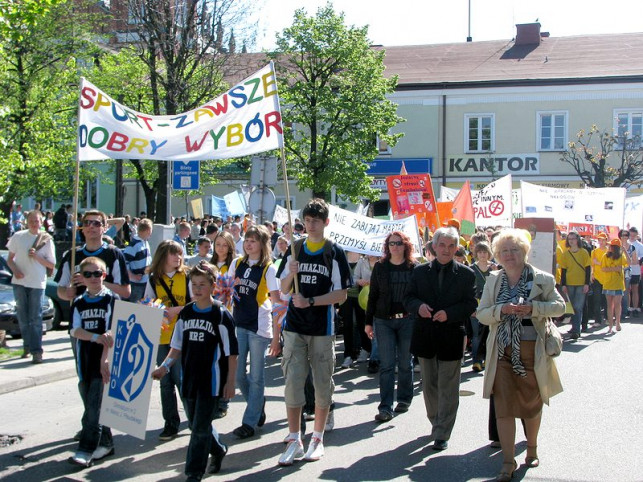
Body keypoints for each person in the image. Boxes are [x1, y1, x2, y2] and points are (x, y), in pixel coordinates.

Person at [477, 228, 565, 482]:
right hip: (502, 352)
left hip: (532, 351)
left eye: (514, 250)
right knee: (503, 408)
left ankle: (532, 448)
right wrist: (501, 309)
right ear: (498, 255)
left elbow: (560, 307)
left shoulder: (542, 279)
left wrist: (534, 308)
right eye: (503, 251)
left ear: (524, 251)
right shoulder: (493, 280)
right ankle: (507, 462)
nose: (509, 255)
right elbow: (482, 313)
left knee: (531, 404)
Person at [275, 198, 352, 465]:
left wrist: (311, 301)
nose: (310, 225)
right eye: (307, 221)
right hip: (295, 326)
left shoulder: (334, 251)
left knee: (321, 384)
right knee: (293, 383)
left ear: (325, 222)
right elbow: (283, 288)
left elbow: (342, 294)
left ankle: (317, 438)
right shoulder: (295, 248)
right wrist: (289, 274)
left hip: (322, 327)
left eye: (315, 221)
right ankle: (294, 437)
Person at [152, 262, 238, 480]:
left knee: (198, 429)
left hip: (212, 380)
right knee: (196, 424)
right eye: (194, 284)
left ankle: (193, 473)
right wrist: (164, 367)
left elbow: (231, 353)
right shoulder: (186, 313)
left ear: (212, 286)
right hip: (188, 377)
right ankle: (218, 449)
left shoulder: (221, 314)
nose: (197, 289)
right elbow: (176, 347)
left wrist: (230, 382)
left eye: (202, 284)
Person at [404, 226, 477, 451]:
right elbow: (408, 298)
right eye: (442, 245)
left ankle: (443, 431)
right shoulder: (419, 271)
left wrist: (450, 314)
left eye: (451, 245)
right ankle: (436, 421)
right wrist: (419, 307)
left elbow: (470, 304)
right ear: (433, 247)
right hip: (425, 335)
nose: (446, 249)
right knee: (430, 385)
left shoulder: (467, 274)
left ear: (457, 248)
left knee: (449, 386)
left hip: (452, 335)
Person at [228, 225, 281, 439]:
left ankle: (249, 422)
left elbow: (277, 302)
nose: (249, 244)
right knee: (239, 375)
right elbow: (226, 290)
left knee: (256, 376)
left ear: (262, 244)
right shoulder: (236, 263)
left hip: (259, 326)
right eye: (247, 240)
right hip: (239, 323)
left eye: (254, 240)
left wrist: (277, 337)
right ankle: (258, 403)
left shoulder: (269, 268)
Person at [68, 257, 117, 467]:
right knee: (91, 403)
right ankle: (106, 443)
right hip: (84, 360)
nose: (93, 278)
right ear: (82, 277)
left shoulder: (111, 299)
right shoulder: (79, 302)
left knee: (93, 409)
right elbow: (75, 330)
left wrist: (105, 358)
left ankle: (86, 449)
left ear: (104, 275)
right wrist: (95, 337)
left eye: (97, 273)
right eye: (88, 274)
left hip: (103, 361)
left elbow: (112, 331)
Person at [365, 231, 418, 422]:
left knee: (405, 362)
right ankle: (385, 407)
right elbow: (373, 296)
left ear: (405, 246)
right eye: (391, 243)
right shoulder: (380, 267)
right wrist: (368, 322)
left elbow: (419, 295)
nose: (394, 246)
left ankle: (404, 399)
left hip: (407, 320)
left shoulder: (414, 268)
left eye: (398, 243)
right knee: (387, 365)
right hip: (383, 320)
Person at [145, 240, 192, 441]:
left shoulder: (187, 276)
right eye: (174, 254)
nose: (178, 258)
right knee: (165, 381)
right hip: (161, 336)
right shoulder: (153, 279)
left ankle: (193, 419)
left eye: (180, 254)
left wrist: (176, 310)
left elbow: (196, 302)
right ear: (163, 256)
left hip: (183, 335)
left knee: (182, 379)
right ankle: (170, 423)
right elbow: (148, 303)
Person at [7, 210, 56, 363]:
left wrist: (37, 257)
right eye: (32, 221)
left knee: (35, 317)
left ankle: (37, 351)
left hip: (37, 283)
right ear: (26, 222)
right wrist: (15, 270)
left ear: (42, 222)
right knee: (23, 317)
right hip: (19, 282)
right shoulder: (18, 236)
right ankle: (27, 346)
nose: (35, 223)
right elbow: (10, 259)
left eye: (37, 221)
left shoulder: (46, 240)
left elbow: (51, 264)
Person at [56, 210, 131, 302]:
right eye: (87, 223)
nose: (91, 226)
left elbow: (126, 292)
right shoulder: (72, 255)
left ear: (105, 228)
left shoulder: (114, 254)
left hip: (108, 311)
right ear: (82, 229)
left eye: (96, 223)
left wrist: (90, 281)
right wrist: (66, 294)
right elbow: (60, 290)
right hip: (80, 312)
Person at [340, 251, 371, 368]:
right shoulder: (342, 256)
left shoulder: (363, 260)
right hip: (345, 296)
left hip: (361, 296)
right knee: (347, 325)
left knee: (362, 322)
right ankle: (348, 355)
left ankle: (366, 348)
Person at [559, 230, 591, 339]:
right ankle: (575, 327)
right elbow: (563, 270)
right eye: (570, 239)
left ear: (577, 239)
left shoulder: (584, 252)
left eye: (573, 238)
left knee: (578, 307)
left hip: (581, 283)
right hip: (569, 283)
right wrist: (563, 284)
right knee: (572, 307)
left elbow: (588, 269)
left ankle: (576, 330)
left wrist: (587, 283)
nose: (571, 241)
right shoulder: (566, 254)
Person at [470, 241, 495, 372]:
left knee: (489, 333)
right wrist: (472, 308)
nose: (482, 255)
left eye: (485, 252)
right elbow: (468, 290)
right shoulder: (471, 269)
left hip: (491, 305)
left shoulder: (494, 268)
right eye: (480, 252)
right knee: (476, 334)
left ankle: (487, 359)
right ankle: (476, 361)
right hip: (477, 304)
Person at [355, 254, 380, 373]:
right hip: (366, 300)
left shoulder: (383, 261)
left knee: (377, 329)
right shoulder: (361, 262)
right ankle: (373, 356)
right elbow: (354, 278)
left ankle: (374, 358)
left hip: (380, 300)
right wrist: (360, 281)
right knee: (371, 328)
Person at [601, 238, 629, 334]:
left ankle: (618, 322)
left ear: (615, 247)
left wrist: (625, 250)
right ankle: (610, 325)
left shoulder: (621, 256)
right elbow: (603, 268)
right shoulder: (605, 256)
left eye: (611, 245)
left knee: (617, 304)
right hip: (608, 283)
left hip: (618, 284)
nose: (609, 247)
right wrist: (615, 268)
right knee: (609, 305)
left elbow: (628, 263)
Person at [123, 218, 153, 303]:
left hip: (145, 281)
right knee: (135, 305)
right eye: (151, 230)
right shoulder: (134, 245)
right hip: (136, 283)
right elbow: (124, 262)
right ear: (148, 230)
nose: (151, 233)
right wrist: (132, 276)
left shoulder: (145, 242)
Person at [590, 232, 609, 325]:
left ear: (606, 241)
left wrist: (598, 263)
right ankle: (597, 320)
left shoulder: (609, 251)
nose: (601, 242)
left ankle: (607, 318)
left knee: (606, 300)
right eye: (599, 240)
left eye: (603, 240)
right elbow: (591, 264)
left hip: (607, 278)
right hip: (597, 278)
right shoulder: (594, 251)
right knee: (596, 300)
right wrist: (591, 274)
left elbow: (609, 264)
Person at [626, 227, 643, 317]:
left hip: (636, 271)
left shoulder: (640, 245)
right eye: (630, 235)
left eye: (634, 235)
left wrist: (637, 260)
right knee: (627, 290)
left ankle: (635, 308)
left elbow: (641, 258)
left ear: (637, 236)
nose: (632, 237)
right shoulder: (625, 244)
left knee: (635, 289)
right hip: (627, 270)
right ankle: (628, 307)